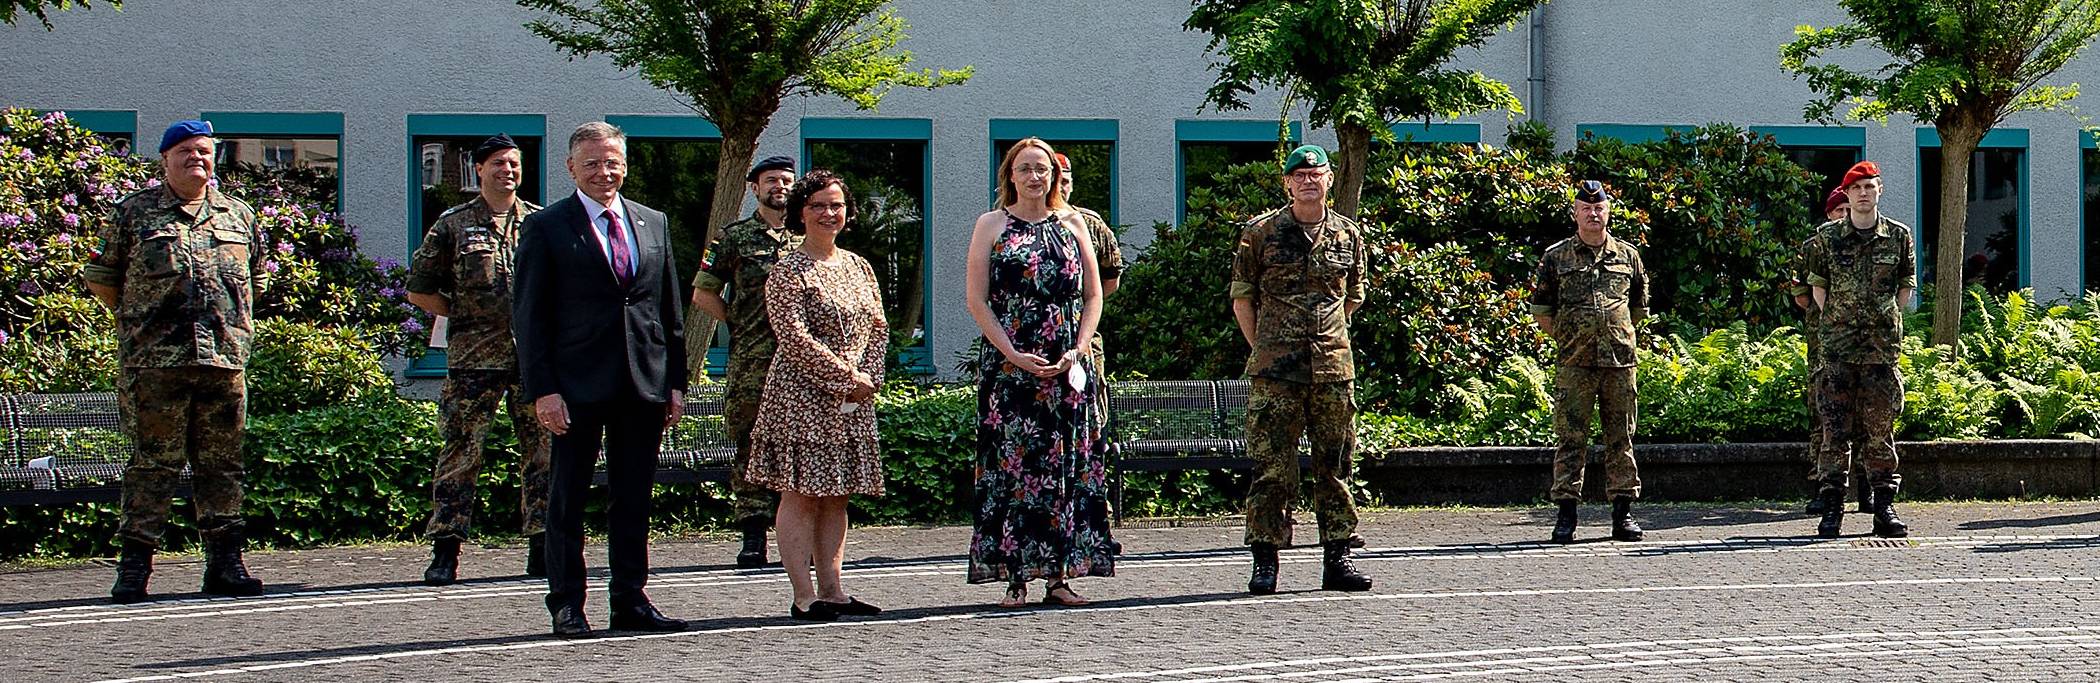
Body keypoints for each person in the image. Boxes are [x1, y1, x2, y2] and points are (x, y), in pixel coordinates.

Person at [512, 121, 688, 637]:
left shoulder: (651, 222)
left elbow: (668, 309)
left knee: (632, 499)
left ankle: (630, 600)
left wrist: (674, 380)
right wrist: (542, 389)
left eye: (611, 162)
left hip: (642, 383)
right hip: (574, 386)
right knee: (566, 499)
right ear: (570, 168)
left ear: (625, 165)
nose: (602, 172)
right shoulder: (546, 226)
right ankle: (567, 603)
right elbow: (530, 316)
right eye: (590, 163)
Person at [84, 120, 267, 603]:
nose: (196, 159)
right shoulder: (134, 214)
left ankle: (226, 564)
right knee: (153, 466)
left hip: (224, 361)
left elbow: (255, 282)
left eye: (204, 151)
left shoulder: (239, 216)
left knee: (222, 466)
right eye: (185, 151)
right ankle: (134, 569)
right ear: (165, 160)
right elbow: (104, 281)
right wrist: (141, 324)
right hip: (155, 364)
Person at [965, 138, 1116, 607]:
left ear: (1054, 176)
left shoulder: (1073, 224)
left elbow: (1094, 294)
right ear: (1011, 174)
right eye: (1026, 168)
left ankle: (1059, 576)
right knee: (1015, 468)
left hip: (1067, 364)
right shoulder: (990, 225)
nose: (1035, 177)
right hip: (1011, 367)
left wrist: (1078, 348)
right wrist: (1010, 351)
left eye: (1043, 169)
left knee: (1067, 468)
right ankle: (1016, 578)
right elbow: (976, 299)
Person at [742, 170, 890, 621]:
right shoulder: (788, 268)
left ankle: (834, 590)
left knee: (838, 494)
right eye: (818, 206)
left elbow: (879, 328)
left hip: (852, 400)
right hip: (801, 395)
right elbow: (793, 335)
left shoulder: (858, 266)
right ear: (800, 213)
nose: (829, 214)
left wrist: (869, 376)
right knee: (801, 493)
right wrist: (845, 375)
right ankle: (804, 595)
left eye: (836, 205)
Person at [404, 134, 550, 586]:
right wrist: (463, 314)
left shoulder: (541, 223)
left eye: (515, 164)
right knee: (461, 452)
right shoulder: (453, 224)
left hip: (532, 358)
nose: (508, 171)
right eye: (499, 164)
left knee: (544, 454)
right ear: (479, 169)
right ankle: (446, 548)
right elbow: (420, 288)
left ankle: (543, 548)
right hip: (473, 359)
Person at [1229, 144, 1373, 595]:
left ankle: (1338, 556)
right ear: (1287, 183)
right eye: (1300, 175)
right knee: (1272, 468)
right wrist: (1266, 347)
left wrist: (1327, 334)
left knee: (1335, 465)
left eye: (1318, 174)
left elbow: (1353, 296)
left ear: (1329, 180)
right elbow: (1242, 299)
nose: (1309, 181)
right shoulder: (1261, 234)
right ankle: (1265, 560)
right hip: (1276, 370)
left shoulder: (1347, 236)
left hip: (1332, 367)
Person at [690, 155, 799, 569]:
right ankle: (754, 534)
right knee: (750, 446)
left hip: (799, 361)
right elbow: (703, 293)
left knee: (798, 446)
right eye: (772, 180)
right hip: (753, 360)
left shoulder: (807, 234)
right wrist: (737, 323)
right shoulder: (733, 238)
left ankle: (798, 534)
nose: (780, 187)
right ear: (754, 187)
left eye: (787, 180)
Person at [1803, 161, 1915, 539]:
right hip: (1837, 349)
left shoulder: (1899, 237)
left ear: (1879, 190)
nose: (1863, 194)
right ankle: (1832, 506)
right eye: (1856, 189)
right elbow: (1818, 288)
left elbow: (1904, 288)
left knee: (1881, 430)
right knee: (1834, 431)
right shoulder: (1826, 238)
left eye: (1869, 186)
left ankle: (1883, 506)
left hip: (1881, 351)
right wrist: (1839, 318)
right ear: (1847, 195)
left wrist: (1882, 319)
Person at [1531, 180, 1648, 545]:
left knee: (1621, 438)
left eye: (1599, 208)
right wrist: (1570, 336)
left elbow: (1638, 308)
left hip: (1619, 361)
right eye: (1586, 208)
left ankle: (1623, 513)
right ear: (1575, 213)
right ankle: (1566, 514)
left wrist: (1611, 334)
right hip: (1575, 362)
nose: (1593, 214)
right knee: (1570, 438)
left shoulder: (1628, 256)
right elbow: (1542, 310)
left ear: (1608, 212)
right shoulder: (1556, 257)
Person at [1795, 188, 1869, 516]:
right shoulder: (1814, 247)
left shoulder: (1869, 240)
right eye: (1836, 210)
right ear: (1828, 214)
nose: (1842, 214)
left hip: (1865, 342)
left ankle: (1868, 487)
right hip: (1824, 342)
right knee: (1822, 413)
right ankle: (1822, 486)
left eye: (1845, 208)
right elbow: (1801, 295)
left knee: (1867, 414)